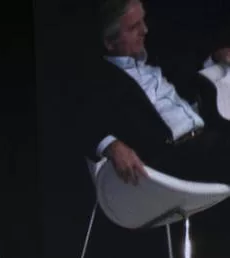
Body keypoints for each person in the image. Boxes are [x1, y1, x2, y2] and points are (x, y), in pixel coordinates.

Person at [86, 0, 230, 185]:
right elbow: (79, 121)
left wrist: (215, 58)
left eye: (143, 21)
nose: (144, 30)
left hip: (207, 138)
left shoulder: (157, 55)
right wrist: (110, 146)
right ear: (110, 43)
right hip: (172, 157)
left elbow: (192, 79)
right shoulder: (103, 81)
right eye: (133, 27)